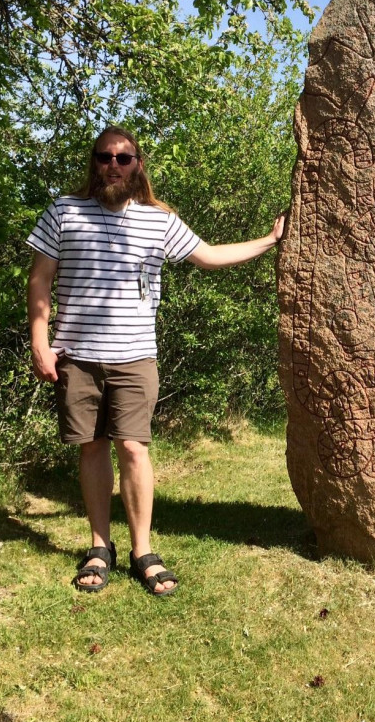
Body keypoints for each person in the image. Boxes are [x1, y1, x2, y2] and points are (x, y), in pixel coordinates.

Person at [27, 126, 284, 596]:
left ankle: (142, 551)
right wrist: (40, 343)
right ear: (94, 162)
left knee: (134, 449)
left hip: (135, 356)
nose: (113, 165)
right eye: (104, 157)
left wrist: (269, 241)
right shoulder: (64, 211)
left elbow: (207, 256)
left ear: (138, 165)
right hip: (77, 357)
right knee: (91, 448)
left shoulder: (158, 219)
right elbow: (40, 279)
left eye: (123, 159)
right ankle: (99, 547)